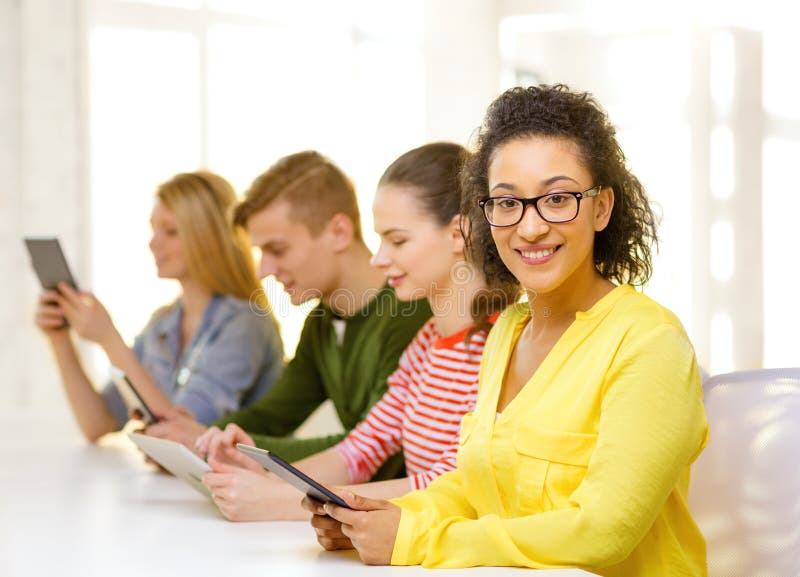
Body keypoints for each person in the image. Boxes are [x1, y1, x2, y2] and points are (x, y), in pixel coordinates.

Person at [305, 84, 709, 577]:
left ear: (602, 208)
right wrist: (380, 519)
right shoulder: (507, 333)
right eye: (507, 202)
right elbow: (477, 487)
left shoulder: (649, 342)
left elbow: (603, 531)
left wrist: (414, 537)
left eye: (558, 198)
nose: (531, 227)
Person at [196, 142, 517, 521]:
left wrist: (279, 501)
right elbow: (359, 450)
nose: (379, 258)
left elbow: (451, 484)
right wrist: (277, 483)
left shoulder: (504, 348)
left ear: (458, 233)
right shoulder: (428, 343)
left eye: (397, 241)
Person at [144, 151, 432, 476]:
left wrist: (224, 446)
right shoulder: (321, 321)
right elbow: (274, 414)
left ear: (338, 231)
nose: (264, 270)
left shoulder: (411, 313)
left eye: (277, 250)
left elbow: (373, 449)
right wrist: (205, 436)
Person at [34, 171, 284, 441]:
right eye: (154, 229)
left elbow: (183, 438)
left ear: (210, 237)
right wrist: (60, 340)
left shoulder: (245, 325)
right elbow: (98, 422)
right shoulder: (163, 324)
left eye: (171, 231)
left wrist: (109, 339)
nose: (153, 243)